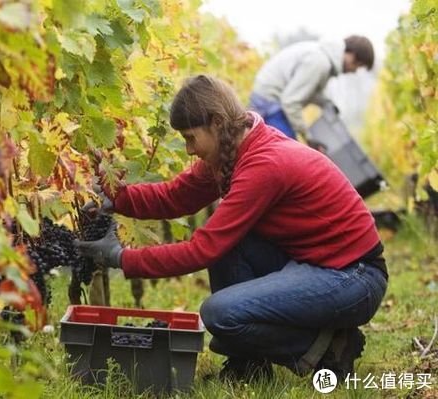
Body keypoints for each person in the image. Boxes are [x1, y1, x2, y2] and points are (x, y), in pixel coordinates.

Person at [76, 75, 387, 382]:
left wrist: (121, 258)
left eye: (189, 137)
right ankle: (249, 365)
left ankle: (328, 349)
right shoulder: (232, 151)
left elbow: (201, 250)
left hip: (354, 277)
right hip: (316, 262)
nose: (188, 150)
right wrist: (113, 197)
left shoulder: (264, 164)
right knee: (231, 244)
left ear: (215, 122)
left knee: (219, 315)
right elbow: (176, 196)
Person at [249, 36, 374, 140]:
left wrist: (327, 103)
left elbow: (310, 92)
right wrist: (308, 136)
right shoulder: (319, 63)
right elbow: (290, 101)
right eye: (358, 65)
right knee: (288, 153)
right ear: (351, 55)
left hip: (269, 99)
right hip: (269, 102)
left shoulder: (323, 56)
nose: (354, 71)